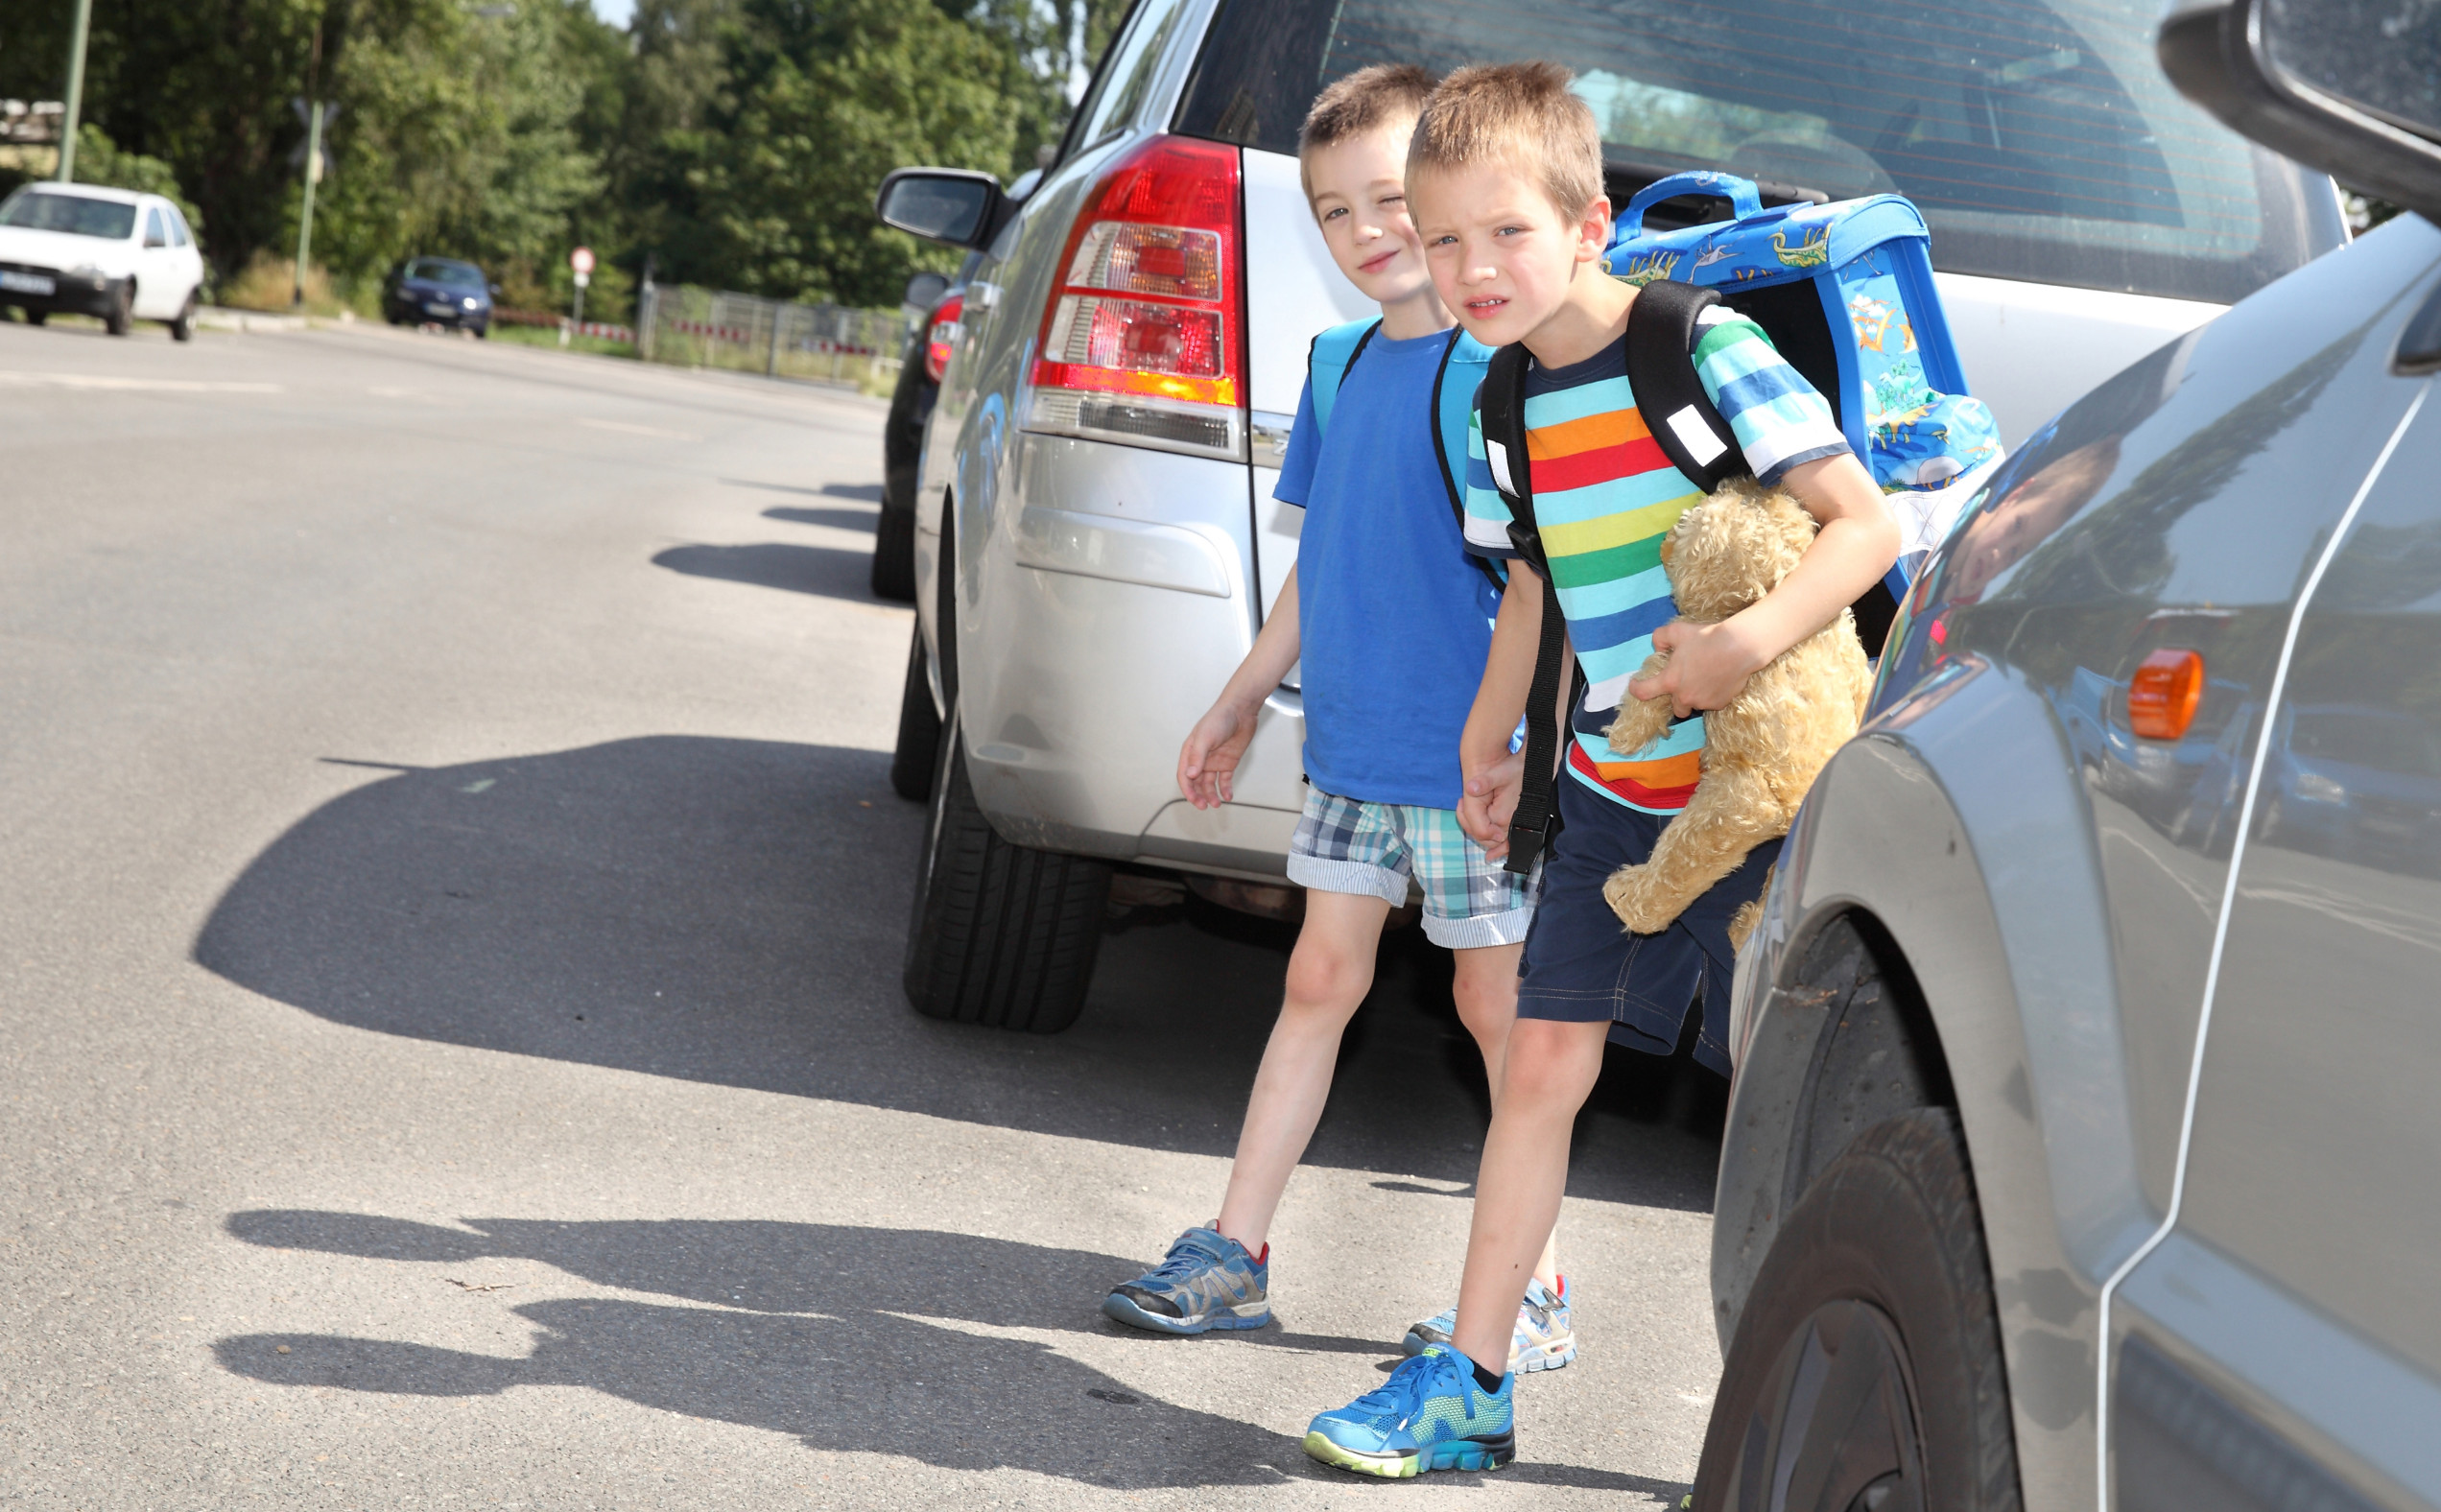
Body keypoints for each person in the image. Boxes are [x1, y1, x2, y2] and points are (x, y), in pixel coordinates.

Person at [1299, 61, 1900, 1477]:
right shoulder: (1501, 399)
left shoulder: (1700, 346)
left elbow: (1860, 528)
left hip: (1768, 797)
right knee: (1537, 1068)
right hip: (1613, 794)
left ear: (1590, 222)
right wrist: (1489, 738)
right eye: (1440, 239)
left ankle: (1804, 1432)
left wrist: (1736, 647)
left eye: (1502, 232)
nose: (1469, 267)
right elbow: (1527, 586)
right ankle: (1475, 1381)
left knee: (1783, 1104)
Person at [1101, 62, 1574, 1377]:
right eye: (1333, 211)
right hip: (1354, 750)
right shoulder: (1335, 361)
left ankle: (1532, 1290)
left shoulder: (1500, 378)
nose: (1369, 233)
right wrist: (1244, 693)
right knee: (1317, 980)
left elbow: (1548, 577)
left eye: (1390, 200)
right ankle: (1235, 1254)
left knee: (1500, 1019)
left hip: (1471, 763)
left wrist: (1525, 739)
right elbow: (1327, 557)